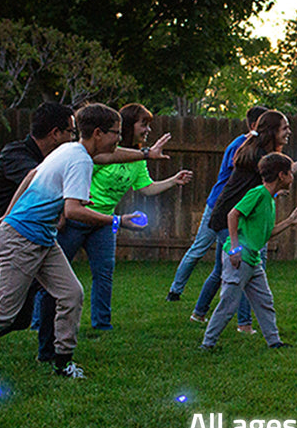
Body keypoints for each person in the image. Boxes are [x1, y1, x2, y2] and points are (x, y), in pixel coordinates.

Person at [0, 103, 169, 378]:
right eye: (115, 133)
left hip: (43, 238)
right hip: (22, 239)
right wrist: (118, 221)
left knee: (71, 294)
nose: (119, 138)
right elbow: (73, 210)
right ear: (98, 133)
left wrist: (8, 214)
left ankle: (63, 363)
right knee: (4, 313)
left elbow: (31, 176)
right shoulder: (80, 160)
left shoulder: (70, 149)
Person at [35, 103, 192, 360]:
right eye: (143, 124)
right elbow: (77, 177)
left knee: (104, 272)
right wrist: (62, 213)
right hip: (76, 218)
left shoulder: (135, 159)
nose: (148, 129)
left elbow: (146, 188)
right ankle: (39, 323)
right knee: (53, 276)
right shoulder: (89, 155)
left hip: (105, 222)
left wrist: (173, 180)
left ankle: (101, 324)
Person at [166, 105, 268, 336]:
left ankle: (199, 312)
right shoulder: (242, 147)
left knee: (222, 267)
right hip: (221, 209)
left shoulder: (253, 147)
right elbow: (253, 172)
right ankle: (177, 292)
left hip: (233, 211)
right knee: (228, 259)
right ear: (255, 125)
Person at [200, 153, 297, 350]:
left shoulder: (270, 199)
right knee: (228, 305)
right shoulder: (258, 193)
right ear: (281, 175)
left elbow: (267, 233)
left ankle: (274, 342)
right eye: (290, 173)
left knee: (265, 301)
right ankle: (207, 344)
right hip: (239, 259)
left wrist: (290, 222)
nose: (293, 177)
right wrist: (234, 248)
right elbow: (232, 214)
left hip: (253, 260)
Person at [0, 103, 76, 333]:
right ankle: (50, 349)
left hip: (30, 237)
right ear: (55, 133)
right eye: (71, 132)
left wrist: (145, 154)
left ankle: (51, 350)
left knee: (21, 316)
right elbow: (37, 179)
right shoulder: (15, 154)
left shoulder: (52, 159)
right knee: (6, 313)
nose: (73, 139)